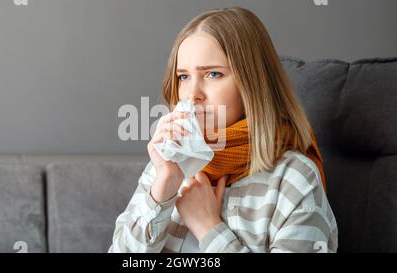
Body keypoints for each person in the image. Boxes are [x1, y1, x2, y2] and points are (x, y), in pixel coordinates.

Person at [108, 7, 337, 253]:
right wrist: (162, 189)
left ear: (252, 84)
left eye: (213, 74)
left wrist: (209, 228)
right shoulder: (165, 165)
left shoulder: (294, 178)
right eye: (183, 77)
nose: (193, 94)